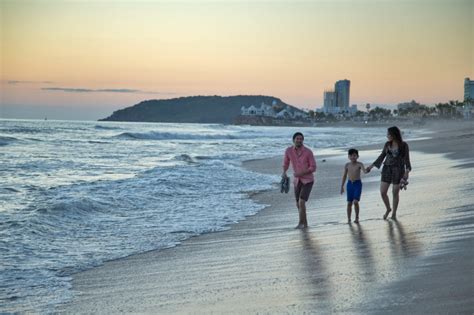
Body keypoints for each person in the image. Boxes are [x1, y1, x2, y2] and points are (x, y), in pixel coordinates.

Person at [366, 126, 412, 220]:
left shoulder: (404, 145)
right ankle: (388, 209)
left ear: (394, 135)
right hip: (387, 169)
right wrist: (371, 167)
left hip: (398, 170)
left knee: (395, 193)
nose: (387, 136)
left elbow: (407, 160)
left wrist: (407, 172)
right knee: (383, 192)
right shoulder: (387, 144)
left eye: (388, 134)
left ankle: (394, 213)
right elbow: (382, 156)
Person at [282, 132, 317, 229]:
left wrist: (301, 173)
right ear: (293, 140)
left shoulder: (308, 152)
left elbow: (313, 167)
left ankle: (302, 224)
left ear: (303, 140)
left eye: (301, 139)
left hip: (308, 180)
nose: (299, 140)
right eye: (297, 139)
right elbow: (286, 162)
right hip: (297, 181)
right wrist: (284, 172)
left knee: (301, 202)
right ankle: (303, 223)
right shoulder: (288, 151)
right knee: (298, 204)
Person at [340, 148, 368, 223]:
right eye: (351, 155)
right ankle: (349, 219)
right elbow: (344, 176)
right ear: (348, 156)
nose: (353, 157)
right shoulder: (347, 165)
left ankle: (357, 218)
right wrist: (342, 186)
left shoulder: (359, 164)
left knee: (355, 202)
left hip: (357, 184)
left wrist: (368, 169)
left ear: (357, 156)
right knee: (349, 203)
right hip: (349, 184)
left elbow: (364, 171)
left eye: (354, 155)